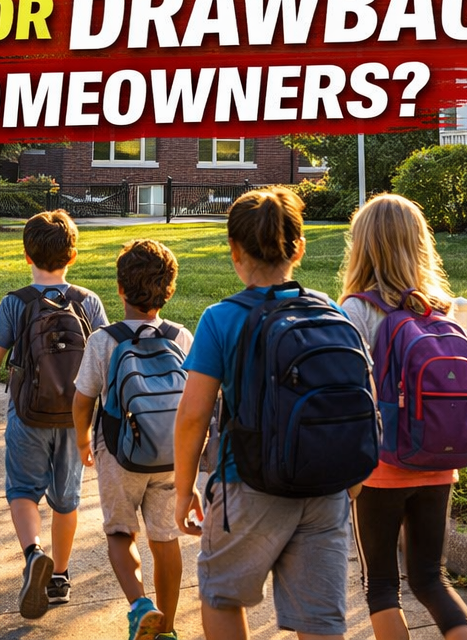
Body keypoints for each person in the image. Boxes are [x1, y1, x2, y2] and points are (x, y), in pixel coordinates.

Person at [173, 186, 357, 640]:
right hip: (324, 487)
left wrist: (183, 490)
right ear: (299, 248)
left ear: (234, 250)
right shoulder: (331, 311)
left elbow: (193, 416)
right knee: (320, 622)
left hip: (248, 484)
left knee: (222, 596)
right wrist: (351, 483)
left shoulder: (221, 318)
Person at [338, 194, 467, 640]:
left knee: (381, 586)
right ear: (420, 245)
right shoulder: (442, 311)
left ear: (362, 246)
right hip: (439, 465)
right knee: (432, 580)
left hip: (380, 471)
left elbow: (349, 400)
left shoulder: (356, 311)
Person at [0, 210, 109, 621]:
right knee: (66, 500)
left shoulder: (15, 303)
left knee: (22, 491)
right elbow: (105, 358)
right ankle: (60, 578)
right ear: (73, 255)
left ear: (26, 255)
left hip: (27, 414)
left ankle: (34, 554)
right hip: (75, 417)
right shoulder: (88, 301)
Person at [72, 239, 191, 640]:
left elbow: (83, 400)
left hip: (119, 453)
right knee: (166, 539)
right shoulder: (181, 337)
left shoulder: (104, 340)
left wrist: (84, 441)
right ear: (168, 290)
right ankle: (167, 630)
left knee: (120, 532)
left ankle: (141, 605)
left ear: (120, 289)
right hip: (170, 454)